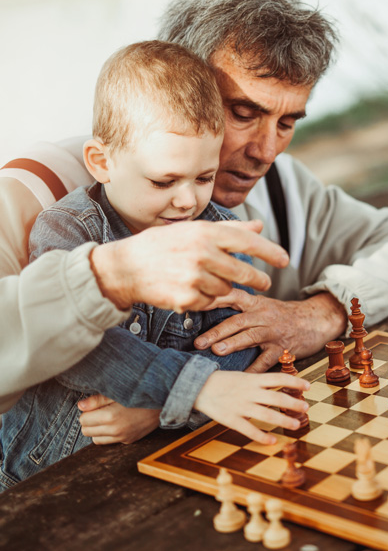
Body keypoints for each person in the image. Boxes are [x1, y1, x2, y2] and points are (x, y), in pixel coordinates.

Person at [0, 0, 388, 443]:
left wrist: (323, 312)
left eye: (287, 121)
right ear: (181, 82)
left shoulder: (281, 189)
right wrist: (107, 279)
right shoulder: (36, 192)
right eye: (243, 113)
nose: (266, 151)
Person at [0, 41, 313, 492]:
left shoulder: (221, 231)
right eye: (163, 181)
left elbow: (236, 340)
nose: (188, 201)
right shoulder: (66, 230)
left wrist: (158, 409)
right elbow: (77, 350)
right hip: (38, 475)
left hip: (159, 457)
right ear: (102, 162)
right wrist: (192, 390)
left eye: (204, 177)